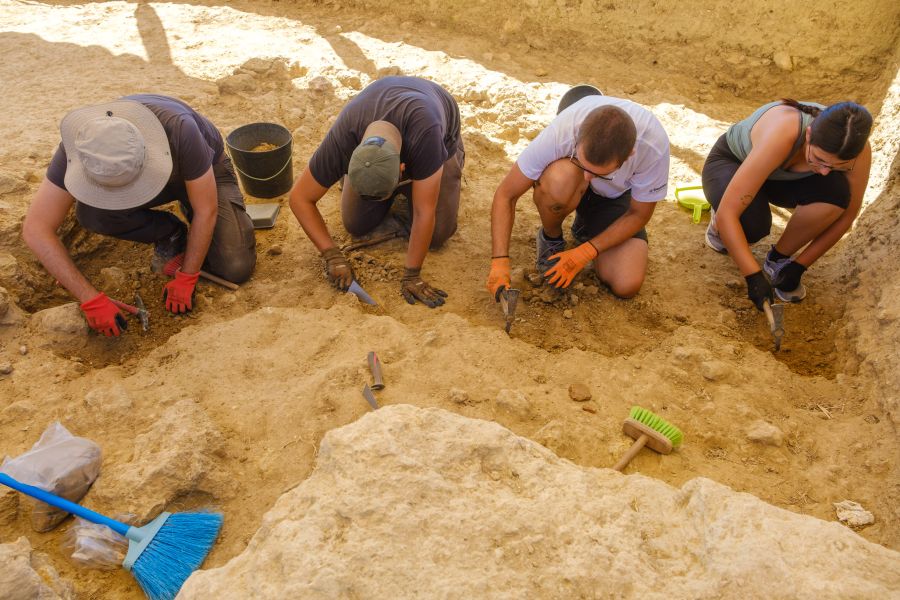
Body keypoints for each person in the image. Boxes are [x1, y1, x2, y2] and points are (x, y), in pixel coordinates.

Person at [22, 95, 257, 336]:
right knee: (93, 214)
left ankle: (189, 206)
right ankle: (170, 233)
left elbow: (206, 210)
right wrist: (88, 298)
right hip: (164, 177)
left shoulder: (180, 128)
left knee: (235, 266)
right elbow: (36, 228)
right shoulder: (83, 146)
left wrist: (188, 275)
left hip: (205, 174)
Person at [289, 76, 463, 308]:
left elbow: (424, 212)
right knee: (356, 224)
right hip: (379, 126)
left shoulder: (426, 132)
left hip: (436, 136)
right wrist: (331, 255)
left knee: (438, 234)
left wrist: (412, 274)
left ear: (402, 170)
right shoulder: (344, 136)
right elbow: (299, 199)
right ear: (351, 159)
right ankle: (376, 182)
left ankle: (426, 176)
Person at [486, 86, 669, 301]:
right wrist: (499, 260)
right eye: (584, 165)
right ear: (577, 138)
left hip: (613, 197)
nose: (588, 179)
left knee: (626, 283)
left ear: (630, 155)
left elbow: (639, 214)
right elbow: (506, 195)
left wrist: (587, 251)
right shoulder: (564, 128)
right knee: (560, 179)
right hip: (566, 184)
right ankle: (551, 237)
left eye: (600, 172)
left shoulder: (654, 147)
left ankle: (586, 228)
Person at [702, 99, 873, 309]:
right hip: (733, 163)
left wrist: (799, 266)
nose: (825, 171)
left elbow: (847, 215)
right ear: (809, 135)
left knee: (837, 197)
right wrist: (753, 277)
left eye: (838, 166)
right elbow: (729, 214)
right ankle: (718, 222)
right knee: (752, 226)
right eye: (819, 159)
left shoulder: (858, 151)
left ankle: (778, 260)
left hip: (780, 179)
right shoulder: (783, 132)